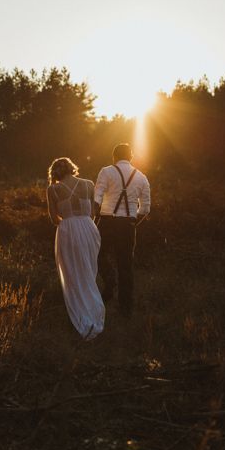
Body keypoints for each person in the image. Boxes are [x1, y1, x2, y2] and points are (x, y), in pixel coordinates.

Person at [46, 157, 105, 339]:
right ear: (72, 169)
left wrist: (69, 219)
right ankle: (93, 307)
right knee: (88, 269)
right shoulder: (88, 184)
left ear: (55, 173)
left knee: (72, 271)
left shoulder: (53, 190)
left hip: (68, 230)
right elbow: (94, 212)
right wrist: (84, 223)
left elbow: (53, 219)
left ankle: (82, 312)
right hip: (89, 228)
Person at [94, 143, 151, 317]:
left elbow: (96, 199)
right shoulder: (142, 177)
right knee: (125, 266)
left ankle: (109, 278)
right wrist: (133, 222)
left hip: (107, 221)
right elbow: (146, 208)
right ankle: (125, 309)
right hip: (128, 225)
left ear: (114, 156)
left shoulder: (106, 171)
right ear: (131, 157)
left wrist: (95, 217)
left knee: (96, 254)